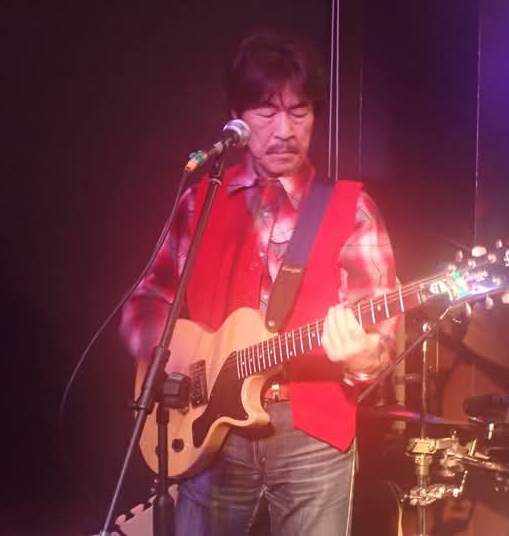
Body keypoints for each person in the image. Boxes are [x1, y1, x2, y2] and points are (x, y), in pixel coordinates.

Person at [119, 29, 398, 536]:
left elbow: (382, 336)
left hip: (311, 433)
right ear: (238, 118)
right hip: (210, 431)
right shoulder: (199, 202)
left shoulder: (351, 210)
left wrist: (363, 357)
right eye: (267, 113)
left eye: (299, 111)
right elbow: (148, 297)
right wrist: (170, 355)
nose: (284, 130)